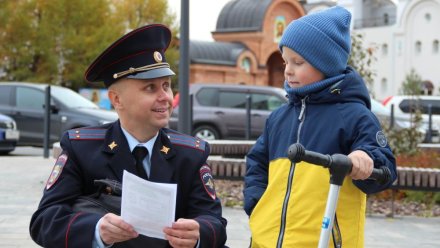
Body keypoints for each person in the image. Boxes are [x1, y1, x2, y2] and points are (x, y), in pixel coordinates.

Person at [29, 24, 227, 248]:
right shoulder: (81, 148)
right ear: (116, 100)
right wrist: (96, 230)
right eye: (150, 88)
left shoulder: (191, 154)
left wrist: (198, 234)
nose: (165, 97)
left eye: (166, 86)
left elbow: (214, 222)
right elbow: (44, 221)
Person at [243, 6, 397, 248]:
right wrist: (257, 206)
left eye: (298, 62)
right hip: (266, 241)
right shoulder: (279, 118)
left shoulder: (353, 115)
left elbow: (385, 167)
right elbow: (257, 164)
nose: (288, 70)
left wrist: (364, 158)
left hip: (323, 242)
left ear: (326, 64)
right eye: (285, 61)